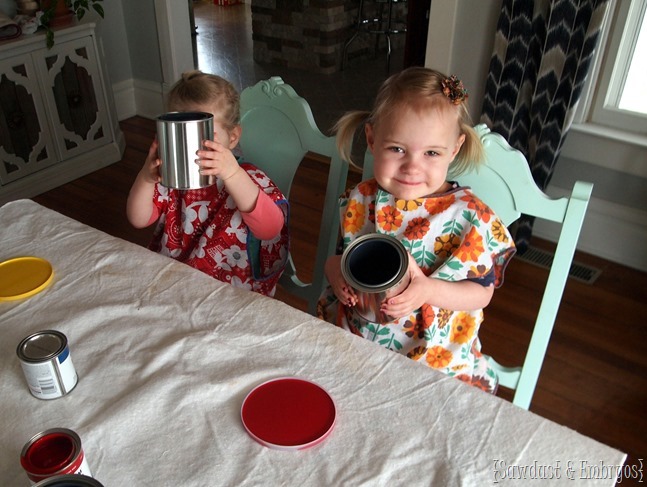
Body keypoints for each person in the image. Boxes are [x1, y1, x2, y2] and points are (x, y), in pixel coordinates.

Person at [317, 67, 516, 393]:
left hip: (434, 365)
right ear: (371, 139)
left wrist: (428, 291)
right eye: (397, 149)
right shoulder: (361, 199)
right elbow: (338, 258)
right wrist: (337, 275)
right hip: (356, 350)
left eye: (432, 153)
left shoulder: (468, 216)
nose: (412, 166)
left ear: (454, 150)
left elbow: (482, 293)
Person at [127, 71, 288, 297]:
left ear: (232, 138)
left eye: (204, 136)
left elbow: (270, 229)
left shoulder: (248, 178)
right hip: (175, 283)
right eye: (181, 135)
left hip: (232, 293)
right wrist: (146, 176)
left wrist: (232, 174)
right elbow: (138, 218)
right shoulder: (169, 178)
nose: (193, 148)